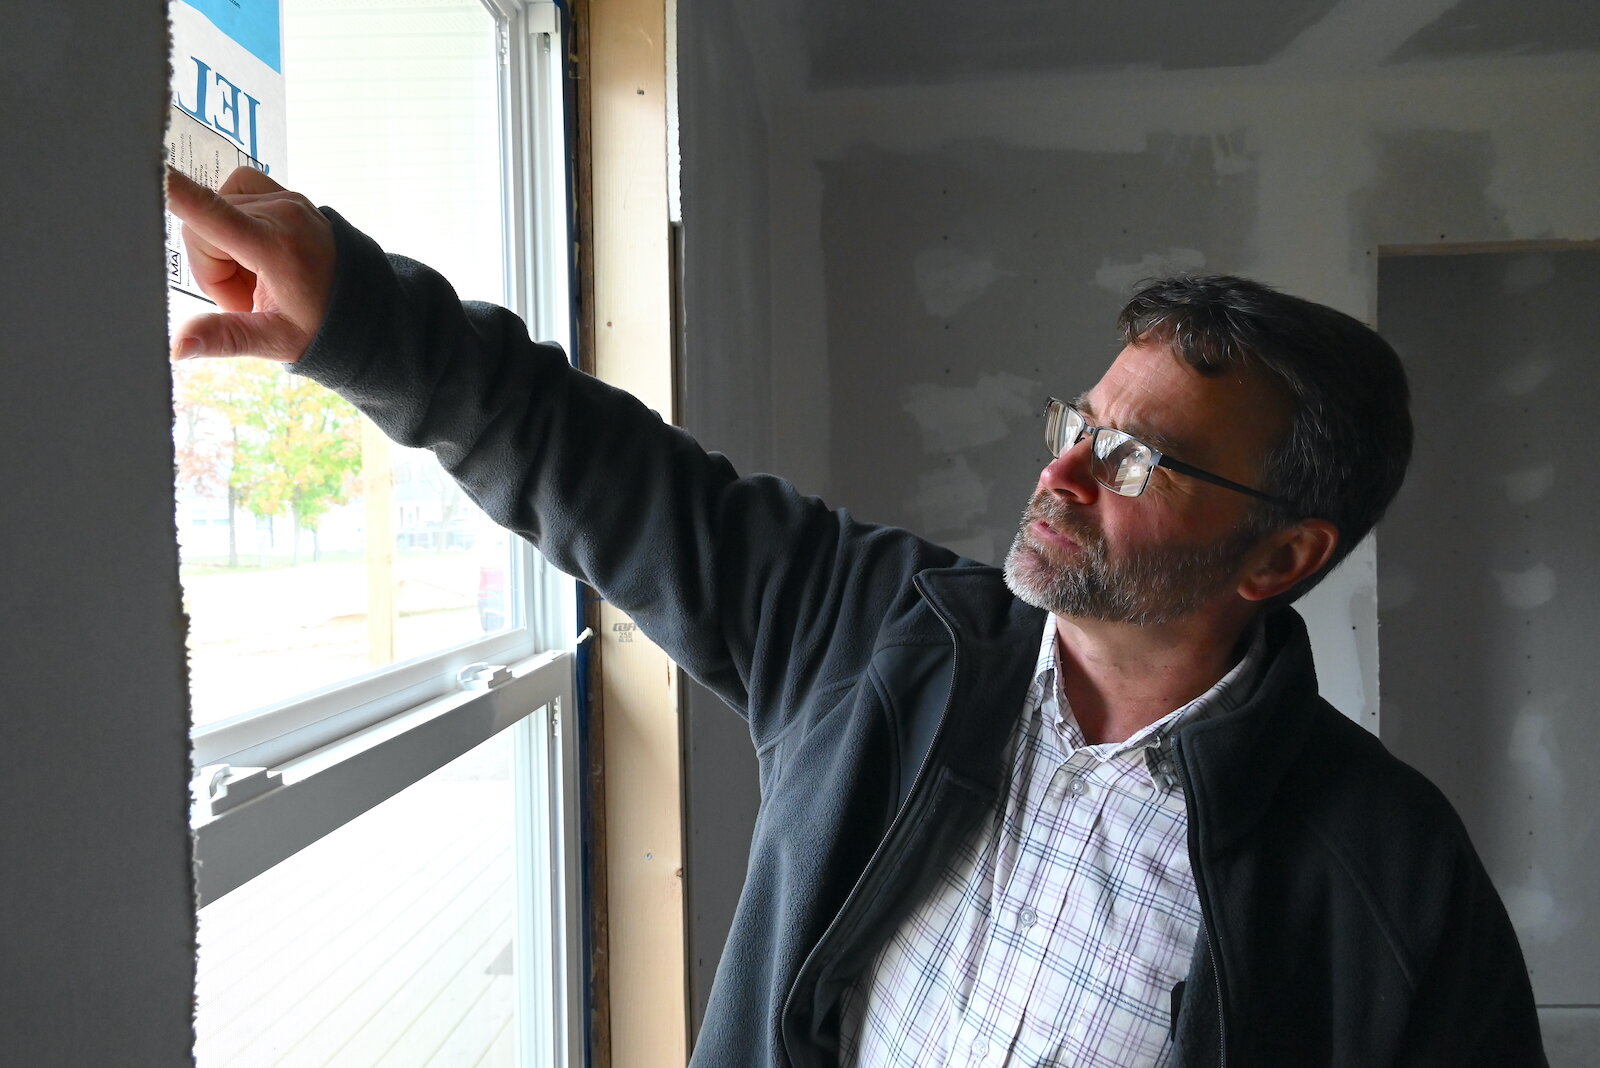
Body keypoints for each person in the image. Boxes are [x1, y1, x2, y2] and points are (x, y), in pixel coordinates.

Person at [166, 166, 1546, 1068]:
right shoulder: (885, 637)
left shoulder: (1388, 871)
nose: (1059, 471)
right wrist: (357, 318)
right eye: (1082, 420)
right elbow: (605, 471)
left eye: (1136, 461)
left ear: (1280, 555)